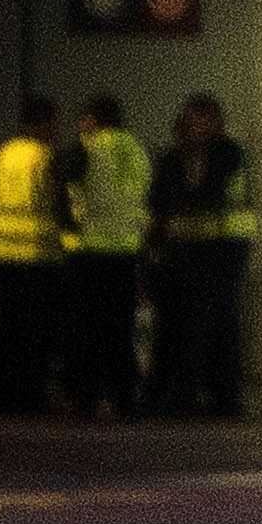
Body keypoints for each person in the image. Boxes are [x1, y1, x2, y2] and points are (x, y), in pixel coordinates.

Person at [149, 92, 258, 420]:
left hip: (223, 248)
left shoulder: (227, 152)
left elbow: (205, 192)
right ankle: (197, 392)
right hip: (187, 251)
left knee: (212, 322)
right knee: (191, 323)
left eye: (204, 119)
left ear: (216, 123)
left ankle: (215, 394)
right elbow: (160, 200)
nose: (198, 126)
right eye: (193, 119)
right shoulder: (173, 157)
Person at [64, 89, 158, 421]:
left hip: (90, 251)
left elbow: (69, 186)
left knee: (88, 330)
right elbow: (143, 195)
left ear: (91, 119)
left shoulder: (89, 147)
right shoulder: (136, 149)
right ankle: (124, 399)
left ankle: (86, 398)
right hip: (127, 251)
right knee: (120, 330)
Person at [0, 114, 70, 413]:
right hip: (37, 256)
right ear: (41, 125)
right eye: (52, 125)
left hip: (2, 253)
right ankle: (30, 396)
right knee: (35, 332)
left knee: (7, 329)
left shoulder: (2, 154)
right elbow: (58, 201)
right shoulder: (45, 156)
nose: (55, 131)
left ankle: (2, 396)